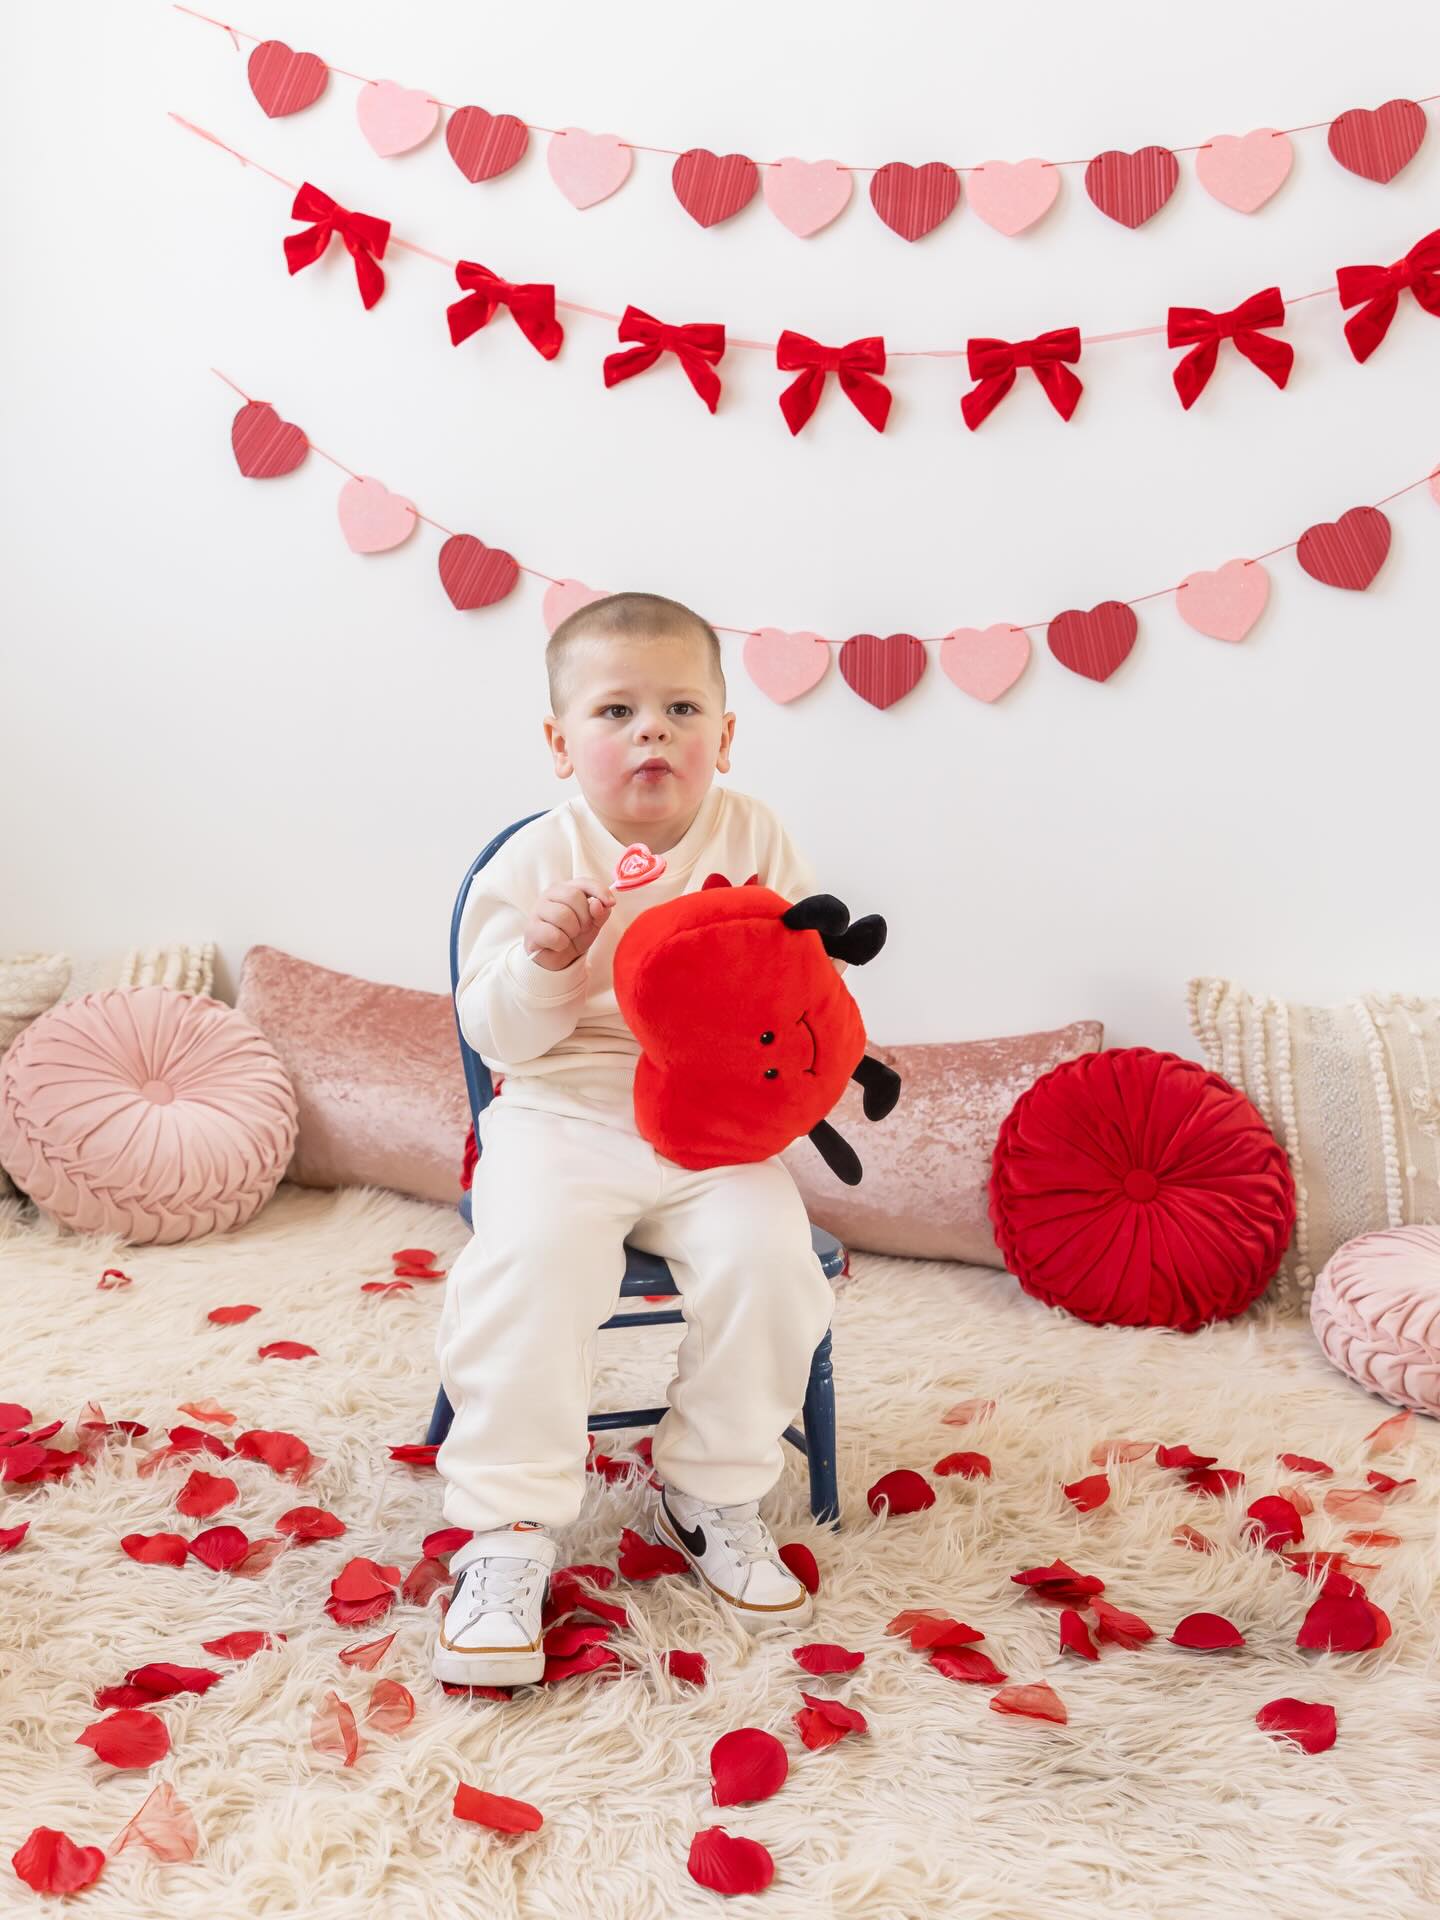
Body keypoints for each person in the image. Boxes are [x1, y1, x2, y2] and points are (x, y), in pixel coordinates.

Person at [431, 591, 840, 1687]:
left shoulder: (754, 838)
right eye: (616, 710)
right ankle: (507, 1530)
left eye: (679, 707)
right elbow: (494, 1032)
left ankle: (711, 1480)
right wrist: (546, 965)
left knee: (773, 1265)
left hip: (712, 1118)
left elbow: (805, 987)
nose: (650, 730)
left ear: (725, 733)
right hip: (565, 1107)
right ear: (562, 744)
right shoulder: (535, 859)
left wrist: (795, 1000)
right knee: (531, 1265)